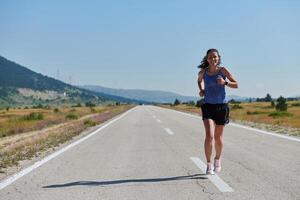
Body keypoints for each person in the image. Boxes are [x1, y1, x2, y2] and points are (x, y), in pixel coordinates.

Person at [197, 48, 238, 175]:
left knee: (218, 138)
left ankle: (217, 160)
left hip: (222, 107)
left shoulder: (223, 70)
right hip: (208, 106)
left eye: (215, 57)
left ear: (218, 58)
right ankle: (208, 164)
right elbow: (199, 81)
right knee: (209, 136)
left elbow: (236, 84)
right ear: (207, 59)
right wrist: (202, 90)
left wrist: (224, 82)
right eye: (210, 57)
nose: (213, 59)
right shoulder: (203, 72)